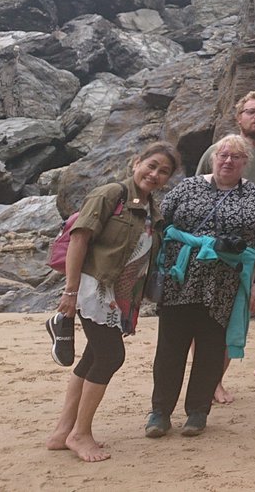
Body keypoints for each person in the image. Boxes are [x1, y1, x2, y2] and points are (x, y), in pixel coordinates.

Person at [46, 142, 181, 462]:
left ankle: (63, 431)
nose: (155, 174)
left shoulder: (152, 211)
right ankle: (80, 434)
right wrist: (70, 291)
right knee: (111, 356)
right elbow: (79, 238)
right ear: (136, 163)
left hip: (119, 296)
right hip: (95, 288)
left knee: (94, 355)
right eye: (151, 165)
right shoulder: (111, 194)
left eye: (164, 172)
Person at [147, 134, 255, 438]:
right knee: (170, 349)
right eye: (223, 155)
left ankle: (198, 411)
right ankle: (160, 412)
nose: (228, 161)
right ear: (213, 158)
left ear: (245, 162)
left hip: (225, 284)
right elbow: (158, 225)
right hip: (180, 279)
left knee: (211, 348)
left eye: (236, 157)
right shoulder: (187, 187)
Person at [196, 90, 255, 402]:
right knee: (202, 320)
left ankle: (215, 381)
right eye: (251, 111)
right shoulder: (216, 150)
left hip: (250, 254)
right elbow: (197, 192)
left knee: (233, 320)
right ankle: (203, 378)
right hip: (209, 250)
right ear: (239, 117)